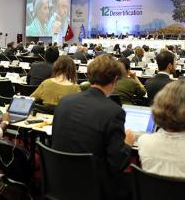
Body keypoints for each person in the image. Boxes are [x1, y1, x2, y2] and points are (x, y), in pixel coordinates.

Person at [52, 54, 135, 200]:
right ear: (115, 79)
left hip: (59, 180)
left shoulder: (65, 102)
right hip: (94, 188)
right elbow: (117, 164)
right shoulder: (114, 111)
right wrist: (127, 144)